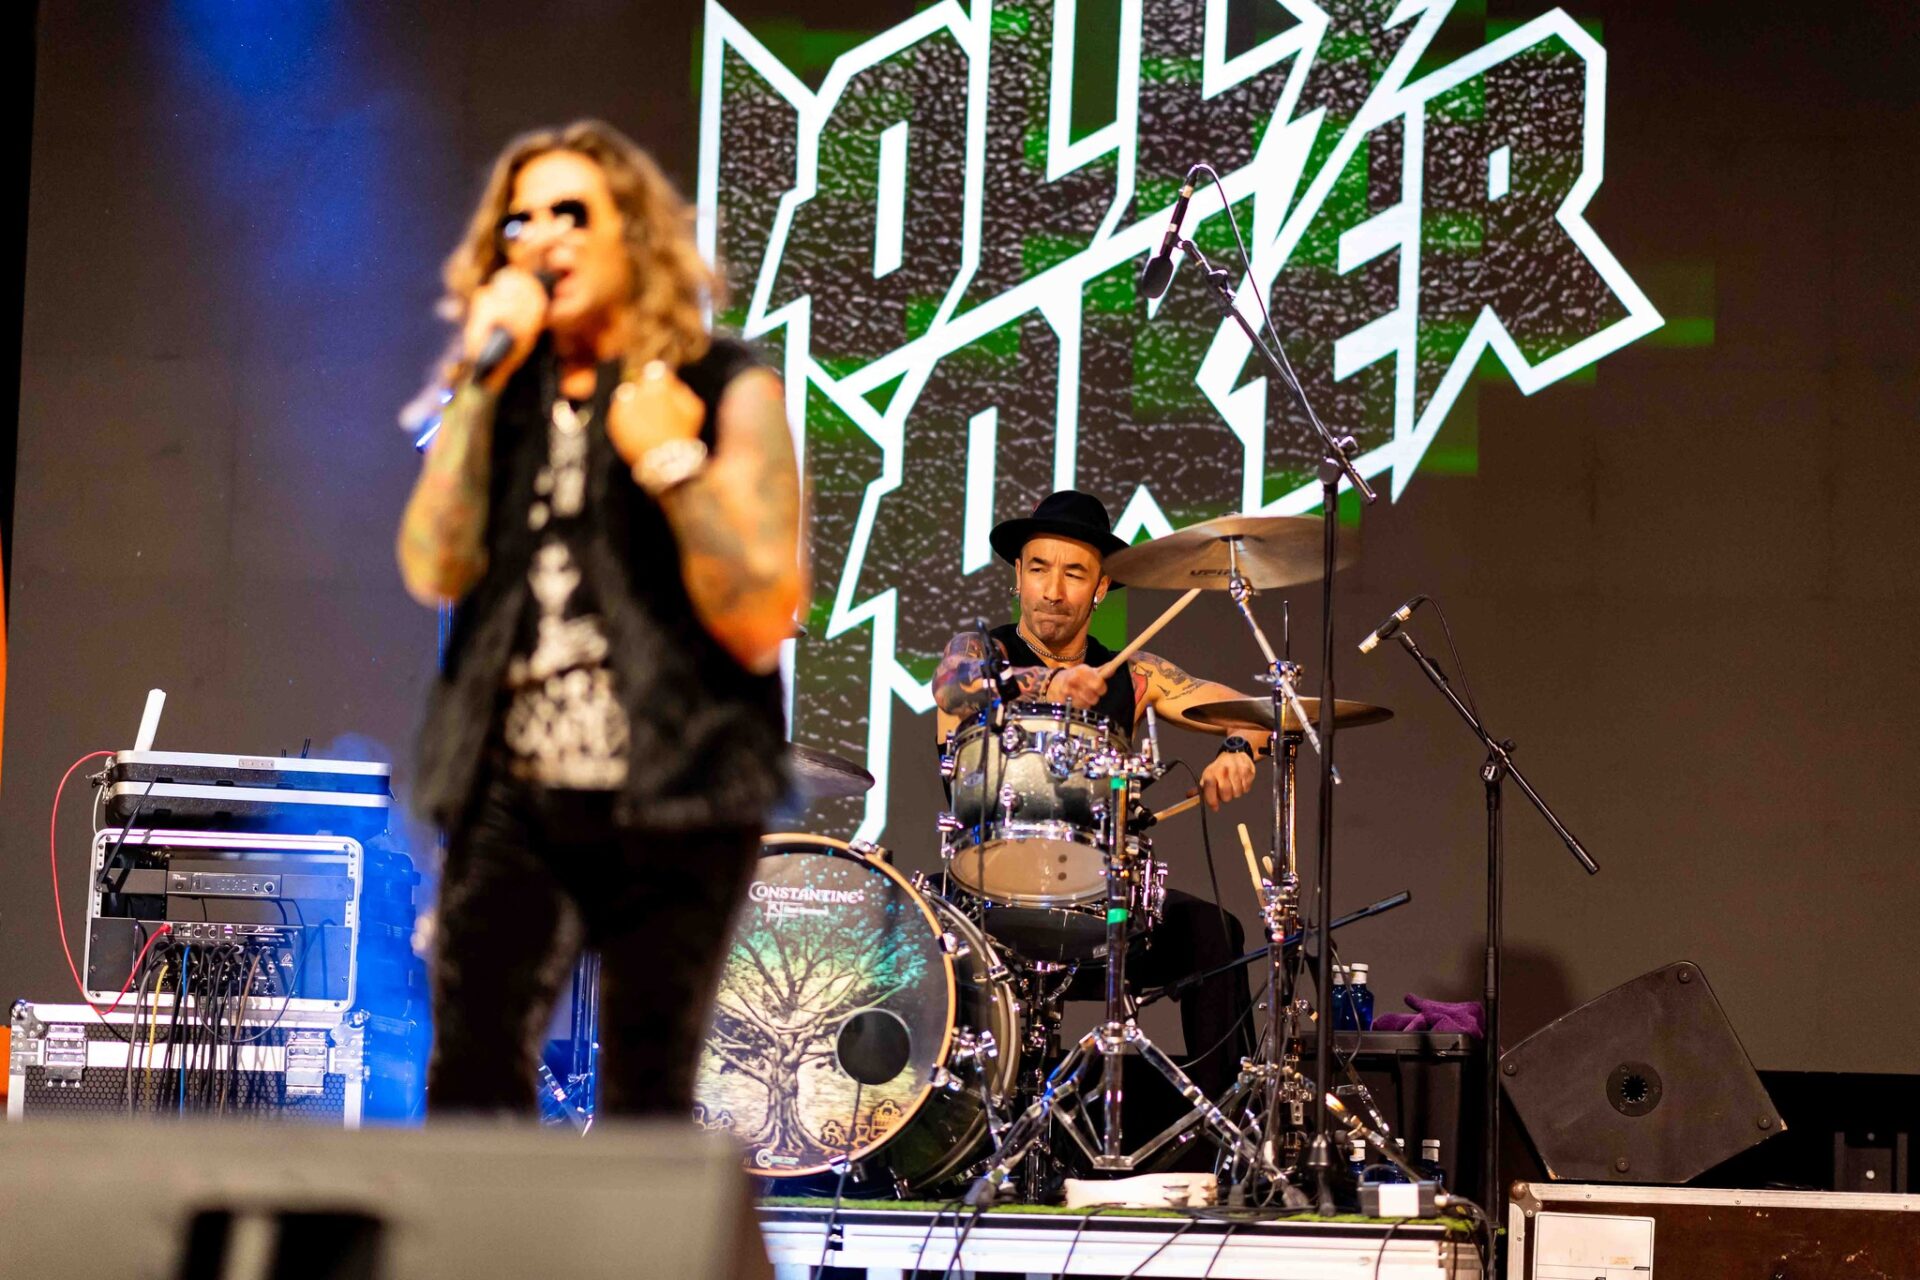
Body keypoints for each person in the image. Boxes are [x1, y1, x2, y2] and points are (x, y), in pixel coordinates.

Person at [396, 120, 804, 1117]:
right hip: (514, 786)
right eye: (520, 222)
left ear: (635, 234)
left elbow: (763, 616)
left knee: (645, 1097)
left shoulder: (723, 384)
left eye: (572, 213)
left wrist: (672, 461)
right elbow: (433, 565)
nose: (544, 237)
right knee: (467, 1079)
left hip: (677, 781)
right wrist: (475, 385)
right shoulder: (503, 397)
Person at [931, 490, 1262, 1100]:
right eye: (1039, 569)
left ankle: (1220, 1133)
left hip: (1101, 908)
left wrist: (1239, 748)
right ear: (1018, 576)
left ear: (1101, 587)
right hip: (983, 898)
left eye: (1075, 573)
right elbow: (953, 687)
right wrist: (1046, 681)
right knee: (906, 932)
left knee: (1212, 931)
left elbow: (1256, 712)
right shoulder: (980, 654)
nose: (1053, 590)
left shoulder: (1134, 673)